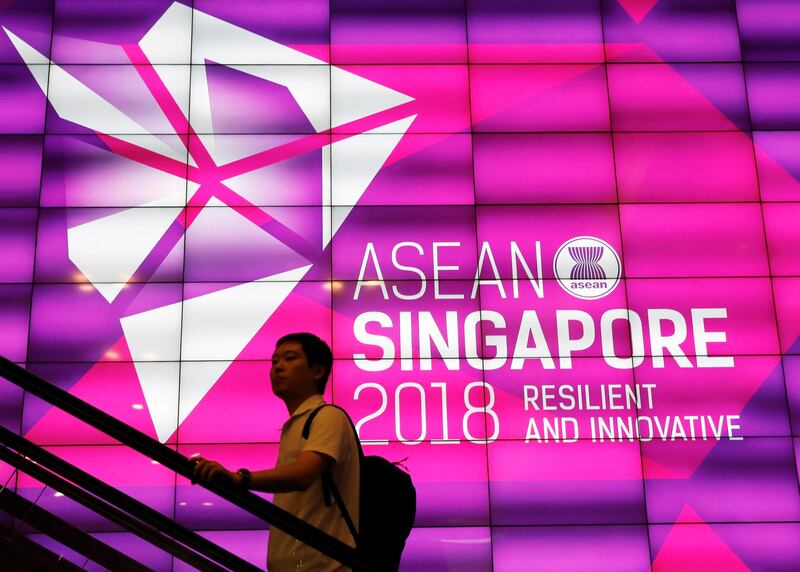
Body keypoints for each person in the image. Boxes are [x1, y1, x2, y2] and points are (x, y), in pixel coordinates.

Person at [192, 333, 359, 572]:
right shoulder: (295, 425)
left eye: (290, 358)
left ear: (318, 371)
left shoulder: (328, 416)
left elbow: (302, 475)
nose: (278, 367)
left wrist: (240, 479)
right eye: (274, 361)